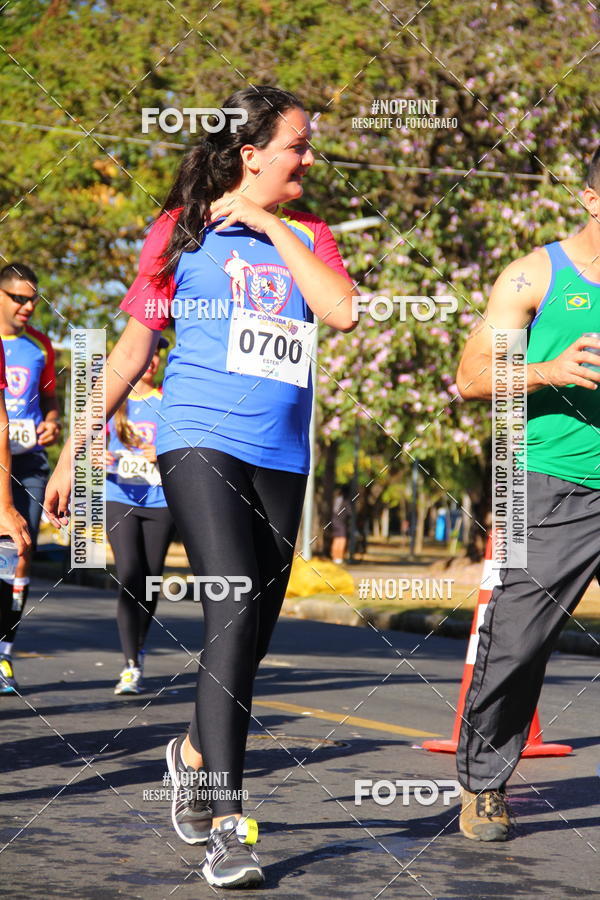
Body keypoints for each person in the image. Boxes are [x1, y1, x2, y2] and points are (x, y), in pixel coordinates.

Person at [45, 85, 357, 887]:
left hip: (282, 457)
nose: (309, 156)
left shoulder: (310, 234)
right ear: (251, 153)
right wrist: (76, 447)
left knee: (251, 637)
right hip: (196, 439)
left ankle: (188, 756)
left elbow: (342, 312)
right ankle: (228, 824)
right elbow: (130, 353)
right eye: (298, 144)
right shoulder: (177, 232)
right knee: (232, 602)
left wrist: (270, 225)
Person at [455, 146, 600, 842]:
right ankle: (484, 784)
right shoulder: (535, 274)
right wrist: (551, 369)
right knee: (518, 642)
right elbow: (473, 376)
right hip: (544, 480)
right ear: (591, 199)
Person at [0, 262, 59, 693]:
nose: (27, 306)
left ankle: (4, 651)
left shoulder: (41, 345)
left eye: (33, 299)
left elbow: (51, 399)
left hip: (29, 464)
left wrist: (53, 423)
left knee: (19, 552)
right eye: (18, 298)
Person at [106, 337, 173, 695]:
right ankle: (130, 664)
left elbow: (185, 447)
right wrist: (96, 456)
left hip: (160, 502)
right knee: (131, 575)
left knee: (150, 581)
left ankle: (140, 648)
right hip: (119, 498)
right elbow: (86, 443)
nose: (152, 361)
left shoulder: (168, 402)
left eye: (156, 356)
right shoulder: (113, 400)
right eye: (147, 354)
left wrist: (162, 453)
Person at [331, 484, 350, 564]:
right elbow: (349, 512)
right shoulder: (345, 501)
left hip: (334, 521)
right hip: (341, 522)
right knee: (342, 539)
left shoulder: (336, 499)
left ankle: (335, 557)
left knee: (336, 539)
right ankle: (339, 557)